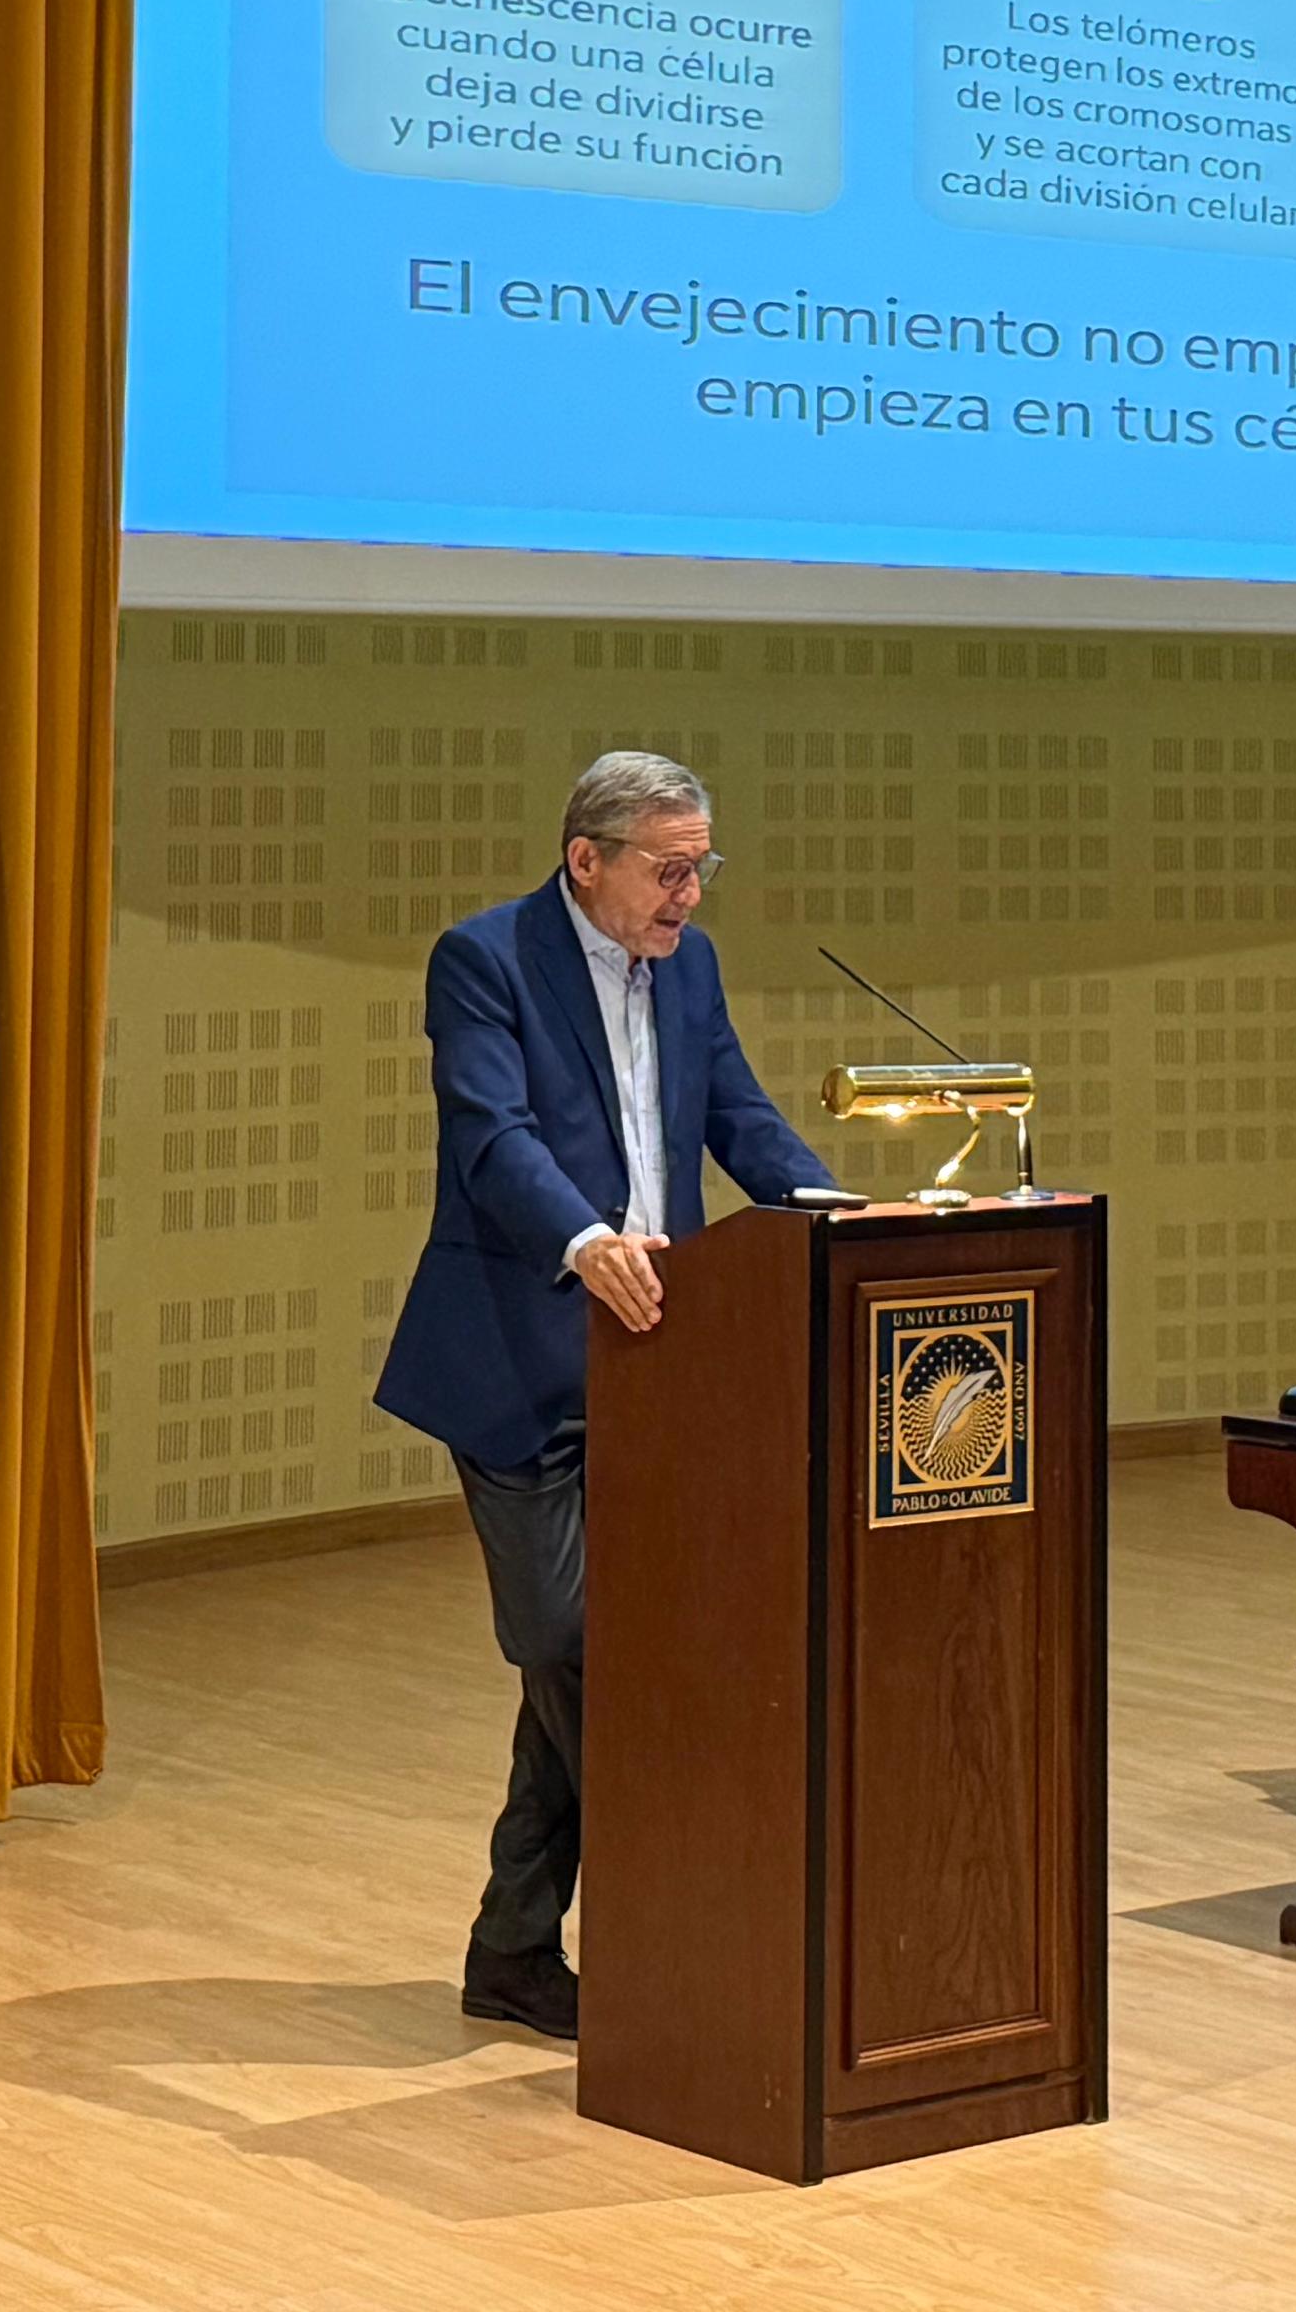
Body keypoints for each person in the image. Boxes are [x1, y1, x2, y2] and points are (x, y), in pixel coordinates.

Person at [372, 751, 837, 2046]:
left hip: (655, 1367)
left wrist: (841, 1218)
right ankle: (682, 1920)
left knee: (581, 1671)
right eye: (669, 870)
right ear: (587, 860)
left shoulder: (689, 967)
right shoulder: (485, 960)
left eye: (702, 869)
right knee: (575, 1651)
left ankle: (514, 1950)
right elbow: (491, 1137)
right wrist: (583, 1242)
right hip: (519, 1363)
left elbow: (740, 1119)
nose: (689, 895)